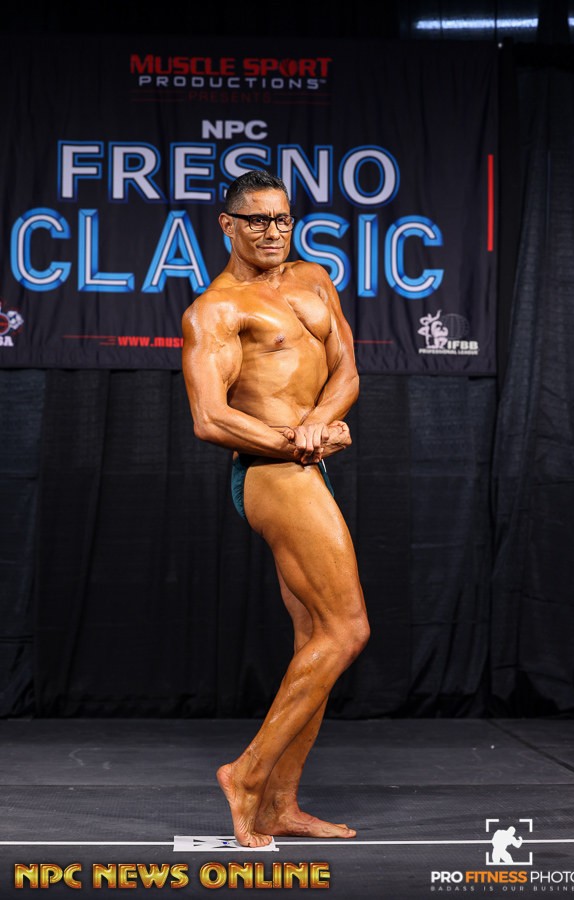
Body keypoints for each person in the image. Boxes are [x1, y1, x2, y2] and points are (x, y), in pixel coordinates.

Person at [182, 169, 369, 848]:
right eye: (257, 220)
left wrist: (317, 425)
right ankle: (247, 775)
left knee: (314, 640)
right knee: (347, 630)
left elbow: (346, 370)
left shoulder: (315, 279)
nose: (272, 231)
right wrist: (297, 442)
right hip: (270, 472)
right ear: (228, 225)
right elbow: (209, 417)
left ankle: (279, 805)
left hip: (305, 461)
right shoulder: (215, 309)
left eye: (282, 219)